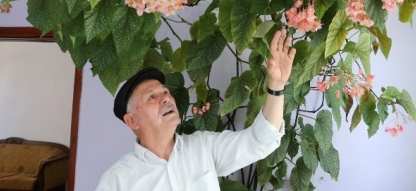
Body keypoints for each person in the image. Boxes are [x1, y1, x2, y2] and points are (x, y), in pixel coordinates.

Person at [95, 28, 295, 191]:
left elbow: (261, 140)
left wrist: (276, 86)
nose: (165, 98)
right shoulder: (117, 181)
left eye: (165, 91)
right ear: (132, 121)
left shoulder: (203, 147)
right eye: (152, 96)